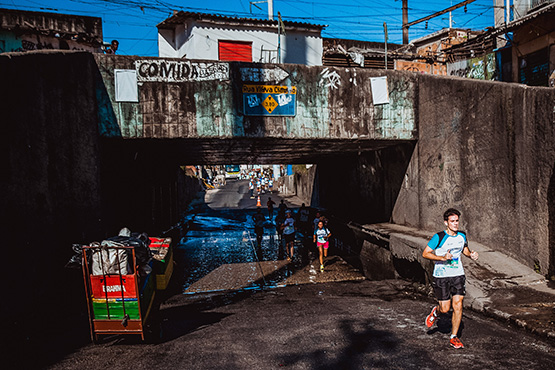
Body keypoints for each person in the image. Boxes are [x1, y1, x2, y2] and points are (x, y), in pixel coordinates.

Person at [422, 208, 479, 349]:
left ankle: (454, 337)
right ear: (446, 223)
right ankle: (436, 312)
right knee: (445, 308)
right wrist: (442, 257)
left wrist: (471, 254)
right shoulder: (439, 237)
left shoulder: (462, 235)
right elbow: (426, 253)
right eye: (452, 221)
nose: (455, 224)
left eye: (457, 221)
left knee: (458, 304)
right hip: (441, 275)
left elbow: (464, 249)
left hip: (458, 274)